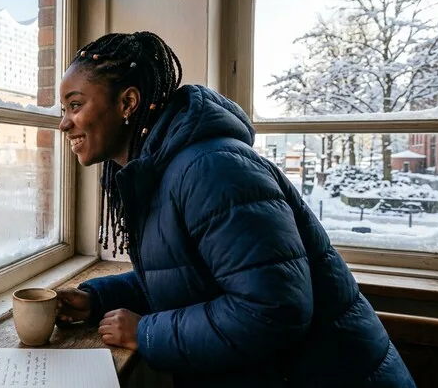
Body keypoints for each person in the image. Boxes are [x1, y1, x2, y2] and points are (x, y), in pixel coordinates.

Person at [54, 32, 414, 387]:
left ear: (128, 103)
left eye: (75, 105)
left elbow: (274, 309)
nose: (63, 123)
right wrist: (98, 298)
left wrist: (146, 332)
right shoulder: (163, 169)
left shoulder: (212, 169)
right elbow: (189, 277)